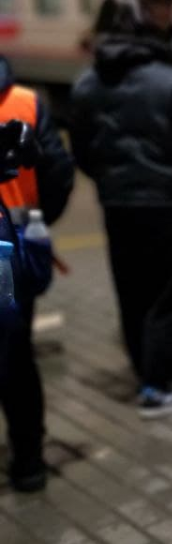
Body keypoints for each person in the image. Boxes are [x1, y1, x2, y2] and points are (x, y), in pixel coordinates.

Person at [69, 0, 172, 419]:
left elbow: (80, 148)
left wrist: (109, 180)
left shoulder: (86, 83)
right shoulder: (171, 80)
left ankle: (155, 370)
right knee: (168, 295)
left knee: (133, 291)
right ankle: (159, 386)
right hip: (168, 202)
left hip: (117, 202)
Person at [0, 58, 73, 492]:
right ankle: (28, 460)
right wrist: (37, 224)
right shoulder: (26, 101)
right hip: (14, 241)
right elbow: (58, 173)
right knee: (14, 352)